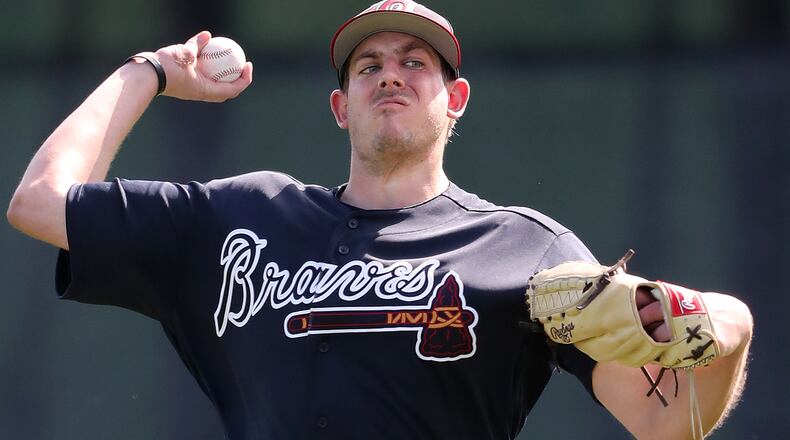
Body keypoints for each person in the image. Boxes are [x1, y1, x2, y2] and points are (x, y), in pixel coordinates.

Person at [7, 1, 752, 439]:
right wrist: (150, 71)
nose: (390, 71)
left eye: (415, 61)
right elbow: (39, 202)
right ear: (342, 107)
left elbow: (665, 422)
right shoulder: (240, 217)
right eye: (368, 66)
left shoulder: (527, 250)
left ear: (454, 100)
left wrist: (729, 329)